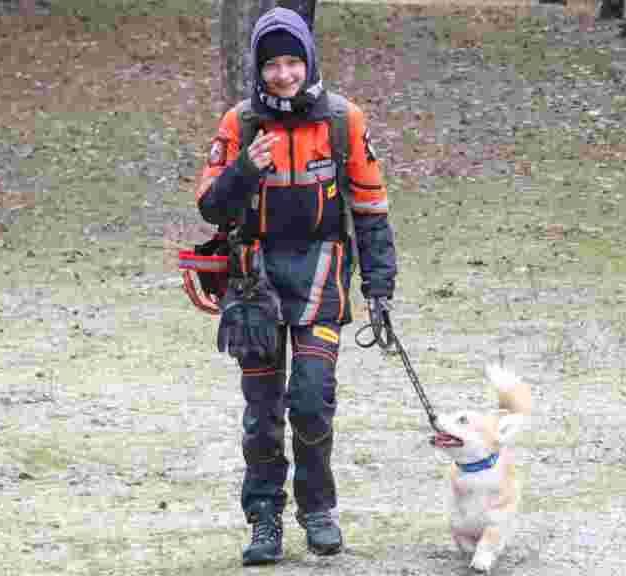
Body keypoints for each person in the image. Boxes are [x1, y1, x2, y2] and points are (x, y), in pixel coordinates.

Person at [193, 7, 398, 566]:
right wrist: (243, 171)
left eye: (292, 61)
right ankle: (264, 520)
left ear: (308, 61)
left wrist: (379, 287)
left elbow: (372, 210)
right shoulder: (239, 125)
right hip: (251, 284)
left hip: (322, 278)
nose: (283, 74)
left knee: (310, 400)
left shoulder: (343, 121)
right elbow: (211, 206)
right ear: (258, 70)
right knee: (262, 411)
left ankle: (318, 510)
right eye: (272, 65)